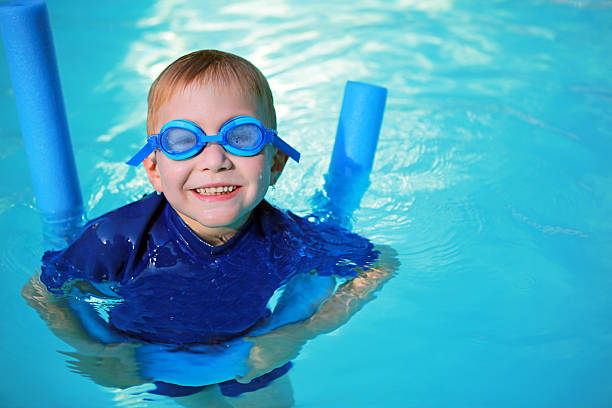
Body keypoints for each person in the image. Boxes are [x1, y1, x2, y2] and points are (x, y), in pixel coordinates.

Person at [31, 49, 396, 407]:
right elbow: (41, 290)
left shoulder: (286, 239)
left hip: (256, 351)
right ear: (155, 170)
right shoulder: (117, 239)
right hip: (157, 358)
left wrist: (295, 335)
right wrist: (96, 349)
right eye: (182, 141)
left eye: (241, 137)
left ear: (275, 164)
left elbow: (381, 264)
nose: (215, 160)